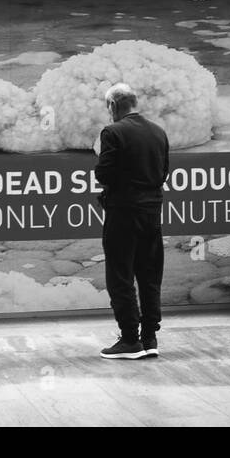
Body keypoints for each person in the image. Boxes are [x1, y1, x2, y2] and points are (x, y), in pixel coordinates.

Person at [94, 83, 170, 359]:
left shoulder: (113, 132)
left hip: (123, 213)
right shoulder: (159, 132)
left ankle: (129, 339)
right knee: (150, 276)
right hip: (153, 213)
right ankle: (149, 338)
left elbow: (103, 174)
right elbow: (163, 173)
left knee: (120, 276)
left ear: (113, 105)